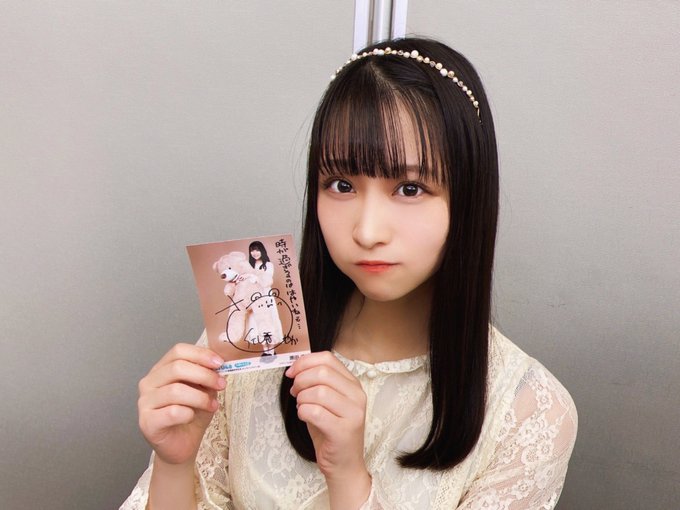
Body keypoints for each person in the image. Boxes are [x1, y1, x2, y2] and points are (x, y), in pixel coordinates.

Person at [122, 37, 577, 509]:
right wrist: (174, 464)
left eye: (409, 188)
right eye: (341, 184)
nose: (367, 231)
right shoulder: (251, 343)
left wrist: (348, 478)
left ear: (468, 196)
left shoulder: (530, 413)